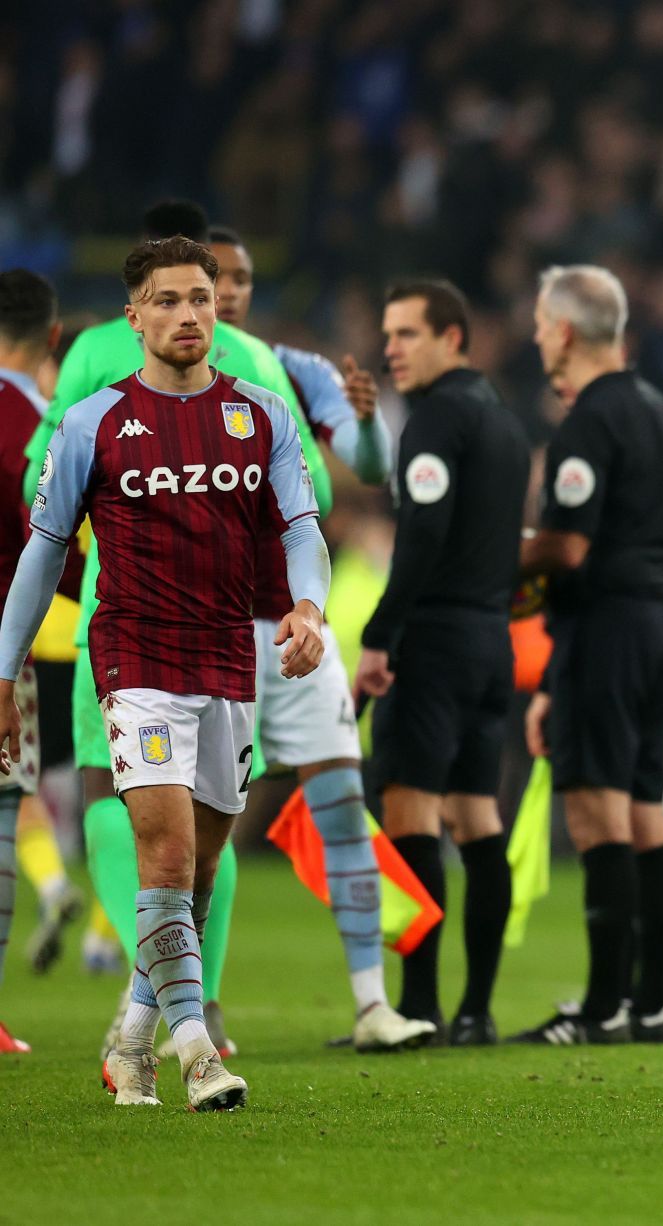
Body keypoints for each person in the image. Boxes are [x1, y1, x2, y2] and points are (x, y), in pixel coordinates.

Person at [0, 236, 329, 1110]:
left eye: (201, 298)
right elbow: (41, 556)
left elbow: (302, 528)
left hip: (229, 655)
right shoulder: (93, 422)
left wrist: (308, 607)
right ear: (133, 316)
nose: (188, 314)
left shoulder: (260, 413)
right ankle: (198, 1055)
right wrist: (4, 671)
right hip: (134, 653)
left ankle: (131, 1037)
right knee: (168, 852)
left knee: (203, 871)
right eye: (168, 300)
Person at [202, 226, 430, 1052]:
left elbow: (369, 464)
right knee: (198, 830)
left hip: (298, 622)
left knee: (341, 803)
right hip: (211, 627)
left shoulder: (289, 369)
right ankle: (188, 1007)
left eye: (238, 278)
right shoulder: (154, 386)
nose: (225, 293)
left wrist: (366, 422)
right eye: (211, 278)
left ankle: (372, 1004)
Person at [514, 265, 663, 1046]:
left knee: (595, 809)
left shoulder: (590, 421)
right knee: (645, 811)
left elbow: (567, 545)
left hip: (609, 628)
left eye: (538, 321)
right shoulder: (659, 413)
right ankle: (656, 1002)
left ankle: (602, 1005)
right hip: (658, 624)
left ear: (562, 329)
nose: (532, 335)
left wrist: (494, 559)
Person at [354, 279, 529, 1046]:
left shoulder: (434, 419)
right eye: (387, 333)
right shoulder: (504, 422)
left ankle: (418, 1008)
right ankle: (477, 1009)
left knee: (411, 812)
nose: (391, 348)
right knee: (476, 813)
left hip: (432, 641)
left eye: (407, 334)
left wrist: (382, 635)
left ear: (452, 338)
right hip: (493, 642)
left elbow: (421, 537)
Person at [0, 268, 67, 1053]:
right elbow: (49, 543)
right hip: (3, 650)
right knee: (3, 813)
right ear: (52, 339)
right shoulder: (40, 423)